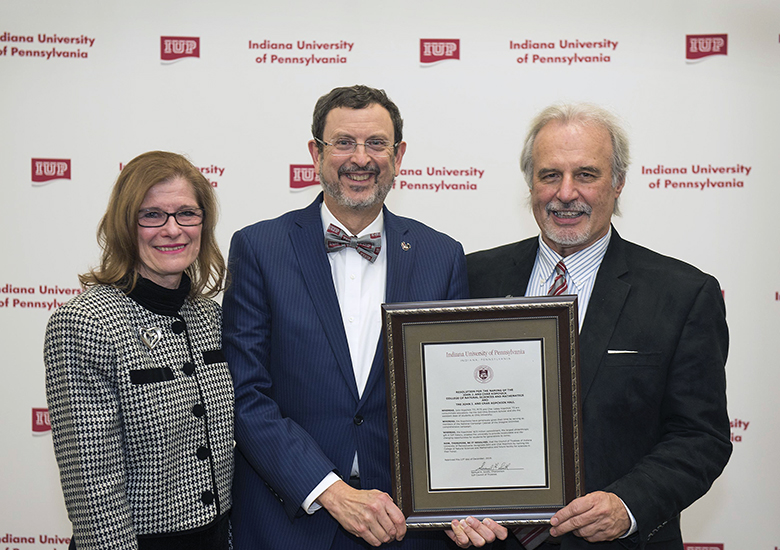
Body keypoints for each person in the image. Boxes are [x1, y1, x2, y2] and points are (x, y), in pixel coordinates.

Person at [223, 85, 506, 549]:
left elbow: (455, 398)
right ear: (315, 153)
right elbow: (244, 393)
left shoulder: (442, 255)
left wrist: (469, 494)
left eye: (377, 143)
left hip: (405, 525)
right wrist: (329, 490)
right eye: (343, 142)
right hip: (290, 521)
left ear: (399, 155)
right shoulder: (259, 248)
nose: (361, 158)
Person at [467, 103, 731, 550]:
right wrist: (452, 503)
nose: (566, 193)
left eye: (586, 175)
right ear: (531, 183)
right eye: (550, 175)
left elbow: (699, 437)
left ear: (619, 183)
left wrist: (627, 504)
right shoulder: (473, 278)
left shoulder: (683, 294)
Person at [44, 151, 234, 550]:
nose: (172, 229)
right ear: (125, 226)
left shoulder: (212, 317)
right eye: (151, 215)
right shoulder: (85, 322)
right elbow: (93, 488)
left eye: (187, 213)